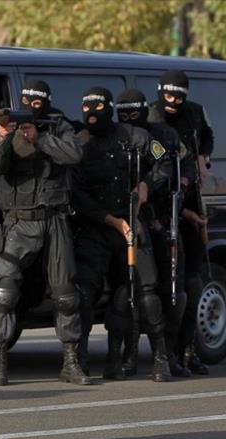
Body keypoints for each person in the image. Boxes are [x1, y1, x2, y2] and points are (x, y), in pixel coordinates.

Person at [0, 79, 88, 386]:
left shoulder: (59, 127)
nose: (32, 106)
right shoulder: (8, 129)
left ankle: (71, 361)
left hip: (55, 218)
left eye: (37, 101)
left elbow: (73, 154)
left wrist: (39, 139)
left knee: (66, 295)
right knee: (4, 293)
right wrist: (5, 138)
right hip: (18, 222)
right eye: (27, 101)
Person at [71, 86, 171, 382]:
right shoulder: (78, 144)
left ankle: (159, 358)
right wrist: (110, 220)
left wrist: (146, 186)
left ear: (109, 109)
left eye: (98, 109)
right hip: (97, 228)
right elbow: (77, 193)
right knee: (84, 294)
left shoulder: (135, 137)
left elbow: (164, 161)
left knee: (144, 292)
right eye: (86, 109)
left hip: (132, 223)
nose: (92, 115)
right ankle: (81, 359)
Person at [147, 69, 213, 377]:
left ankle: (189, 351)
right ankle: (167, 353)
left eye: (179, 96)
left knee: (195, 282)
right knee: (170, 286)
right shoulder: (150, 118)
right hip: (163, 208)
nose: (173, 101)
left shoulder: (195, 113)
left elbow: (206, 139)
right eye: (169, 95)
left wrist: (204, 159)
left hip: (189, 201)